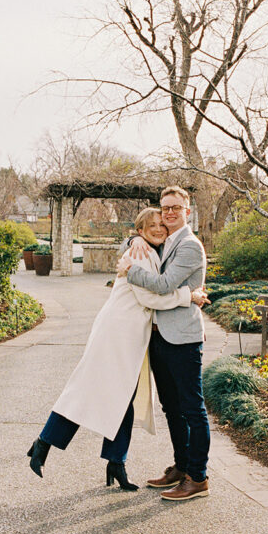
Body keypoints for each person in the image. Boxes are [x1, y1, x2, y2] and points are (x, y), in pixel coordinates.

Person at [27, 207, 210, 490]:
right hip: (116, 335)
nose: (159, 228)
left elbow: (153, 282)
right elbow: (152, 297)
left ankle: (116, 463)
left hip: (131, 338)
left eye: (161, 224)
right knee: (87, 389)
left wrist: (132, 240)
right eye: (151, 226)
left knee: (123, 398)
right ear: (140, 231)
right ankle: (44, 443)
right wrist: (190, 295)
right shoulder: (138, 253)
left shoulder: (150, 250)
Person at [116, 185, 210, 501]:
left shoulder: (189, 246)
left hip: (183, 339)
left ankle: (197, 478)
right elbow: (134, 243)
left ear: (188, 209)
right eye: (165, 207)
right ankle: (181, 467)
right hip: (159, 337)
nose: (169, 213)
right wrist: (132, 242)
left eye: (175, 208)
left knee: (192, 410)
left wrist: (129, 271)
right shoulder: (164, 242)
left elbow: (164, 284)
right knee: (172, 408)